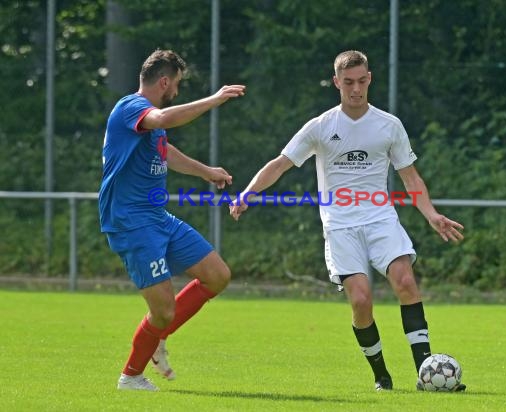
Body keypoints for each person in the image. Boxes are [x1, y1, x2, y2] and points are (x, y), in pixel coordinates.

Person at [230, 50, 466, 392]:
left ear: (369, 79)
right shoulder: (321, 127)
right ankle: (381, 375)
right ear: (337, 82)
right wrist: (246, 194)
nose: (356, 89)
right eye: (348, 83)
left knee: (406, 282)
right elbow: (279, 164)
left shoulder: (389, 125)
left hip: (380, 217)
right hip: (339, 225)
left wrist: (431, 215)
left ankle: (425, 373)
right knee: (361, 301)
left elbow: (411, 178)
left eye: (361, 81)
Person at [99, 49, 245, 391]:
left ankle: (157, 337)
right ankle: (131, 376)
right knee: (163, 311)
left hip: (157, 217)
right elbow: (162, 120)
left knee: (217, 275)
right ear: (164, 82)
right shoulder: (130, 108)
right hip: (131, 221)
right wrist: (214, 99)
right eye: (176, 85)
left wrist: (205, 171)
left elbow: (166, 151)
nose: (176, 92)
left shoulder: (149, 123)